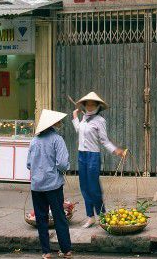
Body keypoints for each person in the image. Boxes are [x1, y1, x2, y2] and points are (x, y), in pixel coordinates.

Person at [72, 91, 124, 228]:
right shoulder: (84, 118)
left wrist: (116, 150)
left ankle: (102, 215)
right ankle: (90, 216)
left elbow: (104, 140)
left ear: (97, 106)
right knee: (84, 187)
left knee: (94, 188)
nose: (89, 106)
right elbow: (80, 131)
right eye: (87, 104)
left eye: (92, 104)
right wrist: (75, 118)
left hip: (93, 156)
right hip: (81, 155)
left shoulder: (100, 121)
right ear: (84, 105)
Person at [27, 109, 72, 259]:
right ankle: (66, 250)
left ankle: (46, 252)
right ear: (53, 124)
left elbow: (28, 164)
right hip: (53, 185)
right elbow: (63, 164)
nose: (60, 123)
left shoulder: (34, 141)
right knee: (59, 217)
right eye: (58, 121)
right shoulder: (57, 140)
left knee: (41, 219)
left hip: (37, 187)